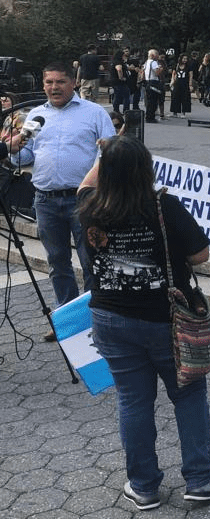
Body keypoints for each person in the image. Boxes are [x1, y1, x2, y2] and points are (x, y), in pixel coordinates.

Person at [79, 136, 210, 510]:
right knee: (188, 394)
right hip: (166, 320)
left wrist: (106, 155)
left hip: (110, 317)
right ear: (147, 170)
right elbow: (200, 254)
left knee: (133, 400)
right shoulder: (163, 204)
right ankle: (201, 478)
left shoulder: (89, 206)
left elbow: (86, 183)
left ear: (107, 171)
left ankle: (144, 486)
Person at [5, 61, 116, 336]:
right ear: (43, 85)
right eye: (49, 82)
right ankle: (67, 322)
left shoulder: (94, 113)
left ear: (73, 83)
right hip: (44, 200)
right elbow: (27, 155)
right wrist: (14, 149)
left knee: (92, 261)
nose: (54, 87)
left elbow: (111, 153)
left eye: (60, 82)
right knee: (57, 262)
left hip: (85, 200)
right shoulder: (36, 116)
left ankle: (95, 319)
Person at [143, 49, 163, 123]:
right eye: (157, 54)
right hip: (153, 82)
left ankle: (148, 116)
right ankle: (151, 117)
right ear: (153, 55)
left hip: (148, 81)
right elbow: (157, 72)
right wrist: (160, 69)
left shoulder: (146, 62)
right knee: (153, 101)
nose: (158, 56)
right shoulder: (154, 62)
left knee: (149, 101)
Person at [111, 50, 131, 114]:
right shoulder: (118, 62)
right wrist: (121, 78)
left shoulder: (114, 61)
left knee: (117, 95)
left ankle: (116, 110)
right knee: (126, 96)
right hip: (120, 82)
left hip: (115, 81)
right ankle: (126, 110)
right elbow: (119, 69)